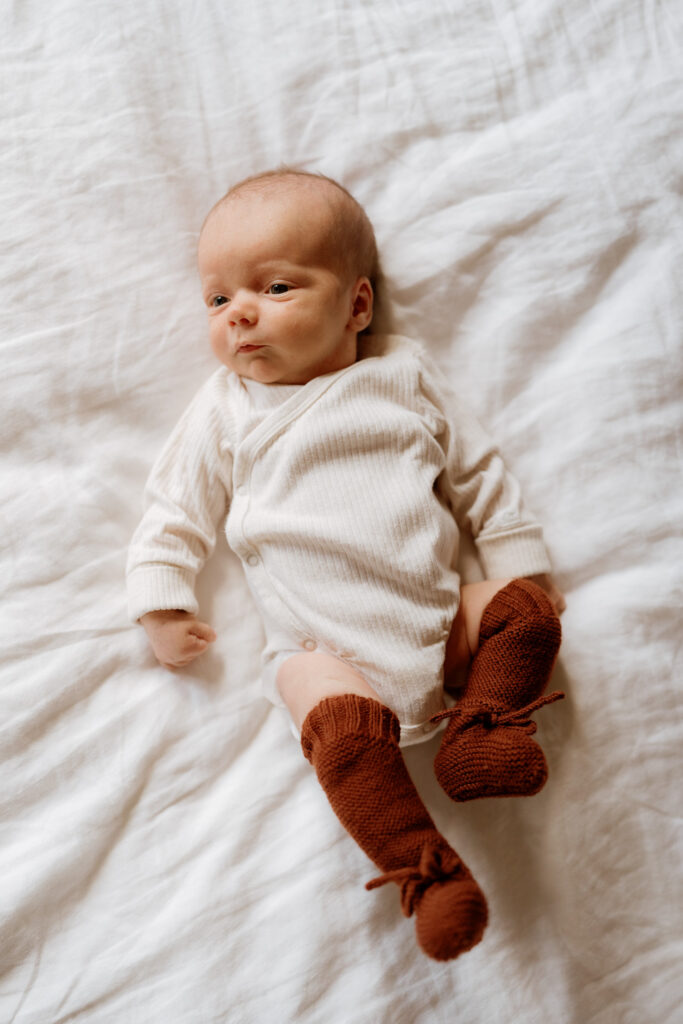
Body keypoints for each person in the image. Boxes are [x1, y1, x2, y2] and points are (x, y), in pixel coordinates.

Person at [127, 168, 566, 961]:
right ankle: (425, 870)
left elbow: (476, 471)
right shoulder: (227, 406)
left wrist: (516, 560)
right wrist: (161, 602)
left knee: (524, 613)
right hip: (324, 654)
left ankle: (482, 727)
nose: (240, 315)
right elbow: (174, 506)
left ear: (356, 305)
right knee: (321, 708)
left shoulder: (400, 373)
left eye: (275, 286)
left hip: (440, 627)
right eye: (217, 300)